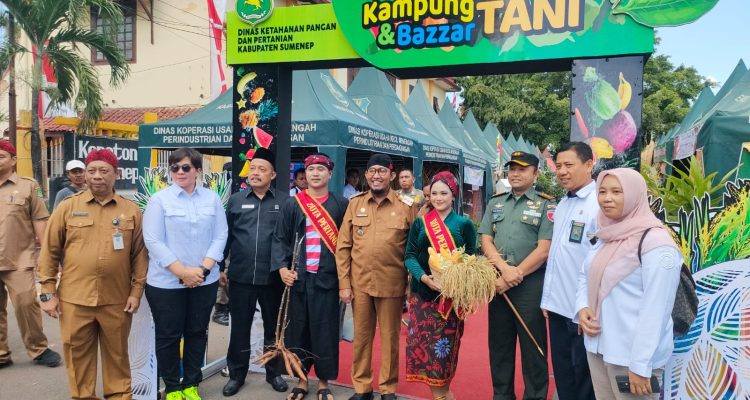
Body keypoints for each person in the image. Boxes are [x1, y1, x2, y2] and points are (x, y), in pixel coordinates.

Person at [38, 148, 147, 399]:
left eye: (104, 171)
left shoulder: (131, 210)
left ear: (116, 174)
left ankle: (119, 396)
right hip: (75, 299)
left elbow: (140, 255)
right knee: (77, 358)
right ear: (85, 175)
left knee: (118, 357)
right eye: (92, 171)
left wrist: (136, 291)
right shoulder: (67, 207)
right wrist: (47, 292)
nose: (97, 176)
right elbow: (49, 251)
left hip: (117, 300)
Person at [576, 168, 682, 399]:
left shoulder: (656, 243)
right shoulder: (606, 233)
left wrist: (640, 365)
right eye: (602, 191)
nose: (607, 198)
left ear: (635, 195)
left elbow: (657, 309)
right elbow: (586, 273)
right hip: (599, 346)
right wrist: (582, 306)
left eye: (617, 191)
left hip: (631, 357)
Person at [142, 147, 228, 400]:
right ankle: (172, 387)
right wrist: (182, 272)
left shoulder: (212, 199)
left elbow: (220, 235)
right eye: (175, 168)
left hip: (204, 280)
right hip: (166, 283)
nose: (179, 172)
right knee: (168, 336)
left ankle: (191, 384)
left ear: (197, 171)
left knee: (197, 332)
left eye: (186, 167)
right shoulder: (159, 200)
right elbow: (153, 240)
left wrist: (202, 270)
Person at [336, 153, 418, 400]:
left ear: (392, 176)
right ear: (366, 175)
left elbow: (414, 249)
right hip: (360, 284)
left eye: (382, 171)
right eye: (372, 171)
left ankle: (388, 389)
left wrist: (411, 285)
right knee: (361, 338)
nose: (376, 176)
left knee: (391, 339)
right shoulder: (355, 203)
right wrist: (344, 284)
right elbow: (343, 246)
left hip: (392, 284)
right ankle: (362, 388)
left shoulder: (406, 206)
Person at [478, 151, 555, 400]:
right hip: (499, 283)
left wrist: (516, 273)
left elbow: (544, 249)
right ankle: (502, 396)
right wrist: (503, 269)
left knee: (533, 347)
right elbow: (486, 239)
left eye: (522, 169)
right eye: (512, 169)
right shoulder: (496, 202)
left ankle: (534, 396)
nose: (515, 174)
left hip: (530, 285)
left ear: (536, 173)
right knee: (499, 346)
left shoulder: (546, 205)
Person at [273, 153, 348, 400]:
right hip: (299, 279)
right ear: (305, 174)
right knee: (299, 331)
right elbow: (280, 238)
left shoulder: (341, 204)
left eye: (321, 169)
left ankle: (324, 382)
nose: (315, 174)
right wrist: (282, 268)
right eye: (311, 169)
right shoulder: (293, 204)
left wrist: (346, 282)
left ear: (330, 173)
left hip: (328, 279)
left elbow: (348, 244)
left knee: (325, 332)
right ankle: (302, 380)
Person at [222, 148, 289, 397]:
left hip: (272, 278)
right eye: (252, 169)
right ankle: (236, 375)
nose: (256, 173)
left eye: (262, 169)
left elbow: (289, 239)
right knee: (240, 328)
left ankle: (274, 373)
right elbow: (226, 236)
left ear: (273, 175)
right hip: (241, 276)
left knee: (273, 328)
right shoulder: (236, 200)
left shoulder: (285, 202)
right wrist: (220, 267)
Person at [404, 171, 476, 400]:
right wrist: (424, 278)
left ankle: (443, 394)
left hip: (449, 301)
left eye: (444, 193)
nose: (438, 198)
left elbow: (471, 259)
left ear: (453, 195)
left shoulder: (464, 224)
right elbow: (410, 256)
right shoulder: (420, 223)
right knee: (423, 350)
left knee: (443, 354)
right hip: (422, 297)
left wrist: (456, 281)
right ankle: (441, 395)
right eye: (434, 193)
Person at [541, 142, 597, 400]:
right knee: (563, 376)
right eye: (558, 166)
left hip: (581, 312)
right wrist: (547, 299)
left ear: (589, 164)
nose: (562, 171)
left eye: (568, 165)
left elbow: (599, 261)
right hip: (557, 307)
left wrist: (588, 305)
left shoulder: (599, 204)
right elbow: (557, 256)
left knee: (583, 380)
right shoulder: (563, 203)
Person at [0, 140, 61, 370]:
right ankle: (1, 354)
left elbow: (40, 222)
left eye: (1, 156)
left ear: (14, 160)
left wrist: (48, 257)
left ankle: (39, 349)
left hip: (19, 260)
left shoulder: (29, 186)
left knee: (26, 304)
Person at [213, 161, 233, 327]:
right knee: (224, 270)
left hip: (233, 236)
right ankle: (220, 309)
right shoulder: (221, 192)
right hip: (223, 238)